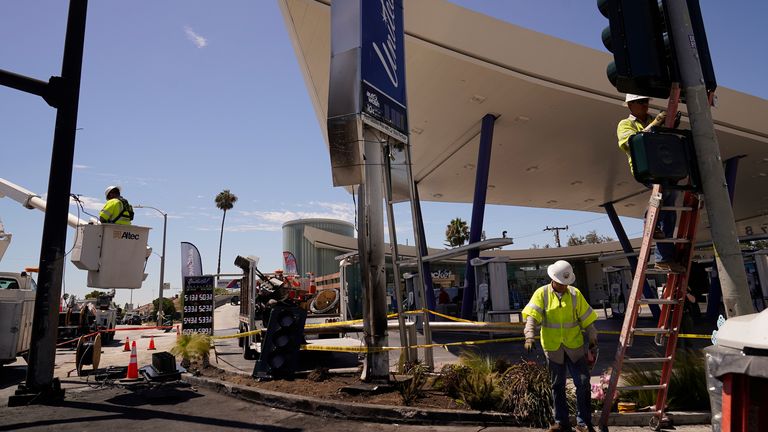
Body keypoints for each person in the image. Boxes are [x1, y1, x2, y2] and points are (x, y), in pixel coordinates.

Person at [522, 260, 598, 432]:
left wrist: (592, 336)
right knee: (557, 385)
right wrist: (529, 337)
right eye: (561, 283)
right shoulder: (541, 294)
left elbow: (587, 319)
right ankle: (561, 423)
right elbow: (531, 317)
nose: (564, 286)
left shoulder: (575, 294)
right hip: (553, 348)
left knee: (583, 383)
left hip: (574, 347)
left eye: (567, 283)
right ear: (553, 280)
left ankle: (583, 422)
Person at [617, 94, 684, 273]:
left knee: (669, 208)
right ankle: (651, 224)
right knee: (666, 195)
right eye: (641, 102)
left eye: (646, 101)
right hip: (646, 169)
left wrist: (669, 127)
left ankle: (663, 257)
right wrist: (655, 126)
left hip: (662, 165)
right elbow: (631, 143)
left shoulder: (653, 120)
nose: (645, 105)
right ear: (630, 105)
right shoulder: (625, 124)